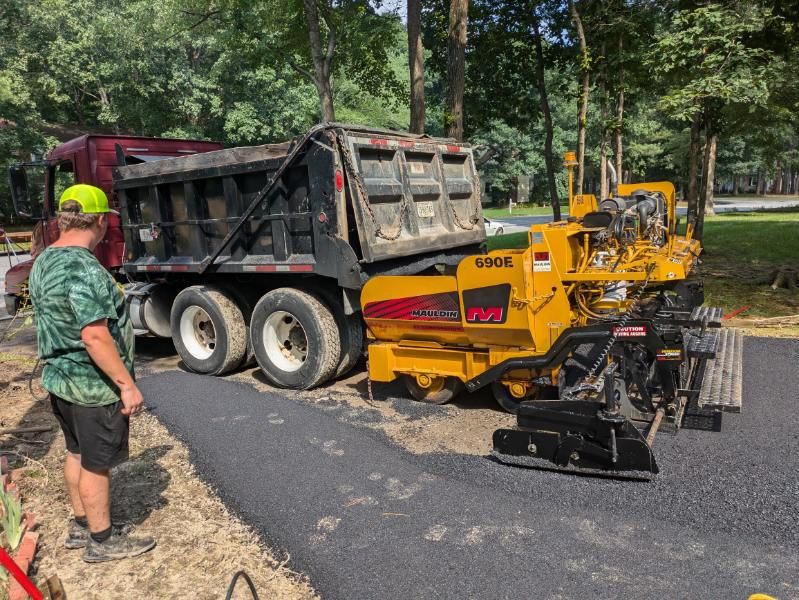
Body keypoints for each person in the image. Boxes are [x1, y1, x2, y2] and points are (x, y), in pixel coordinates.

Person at [28, 184, 155, 563]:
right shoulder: (84, 269)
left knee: (77, 452)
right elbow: (95, 336)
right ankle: (102, 541)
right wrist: (126, 385)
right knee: (97, 464)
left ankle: (81, 525)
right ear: (100, 221)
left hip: (60, 380)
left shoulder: (44, 260)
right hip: (91, 387)